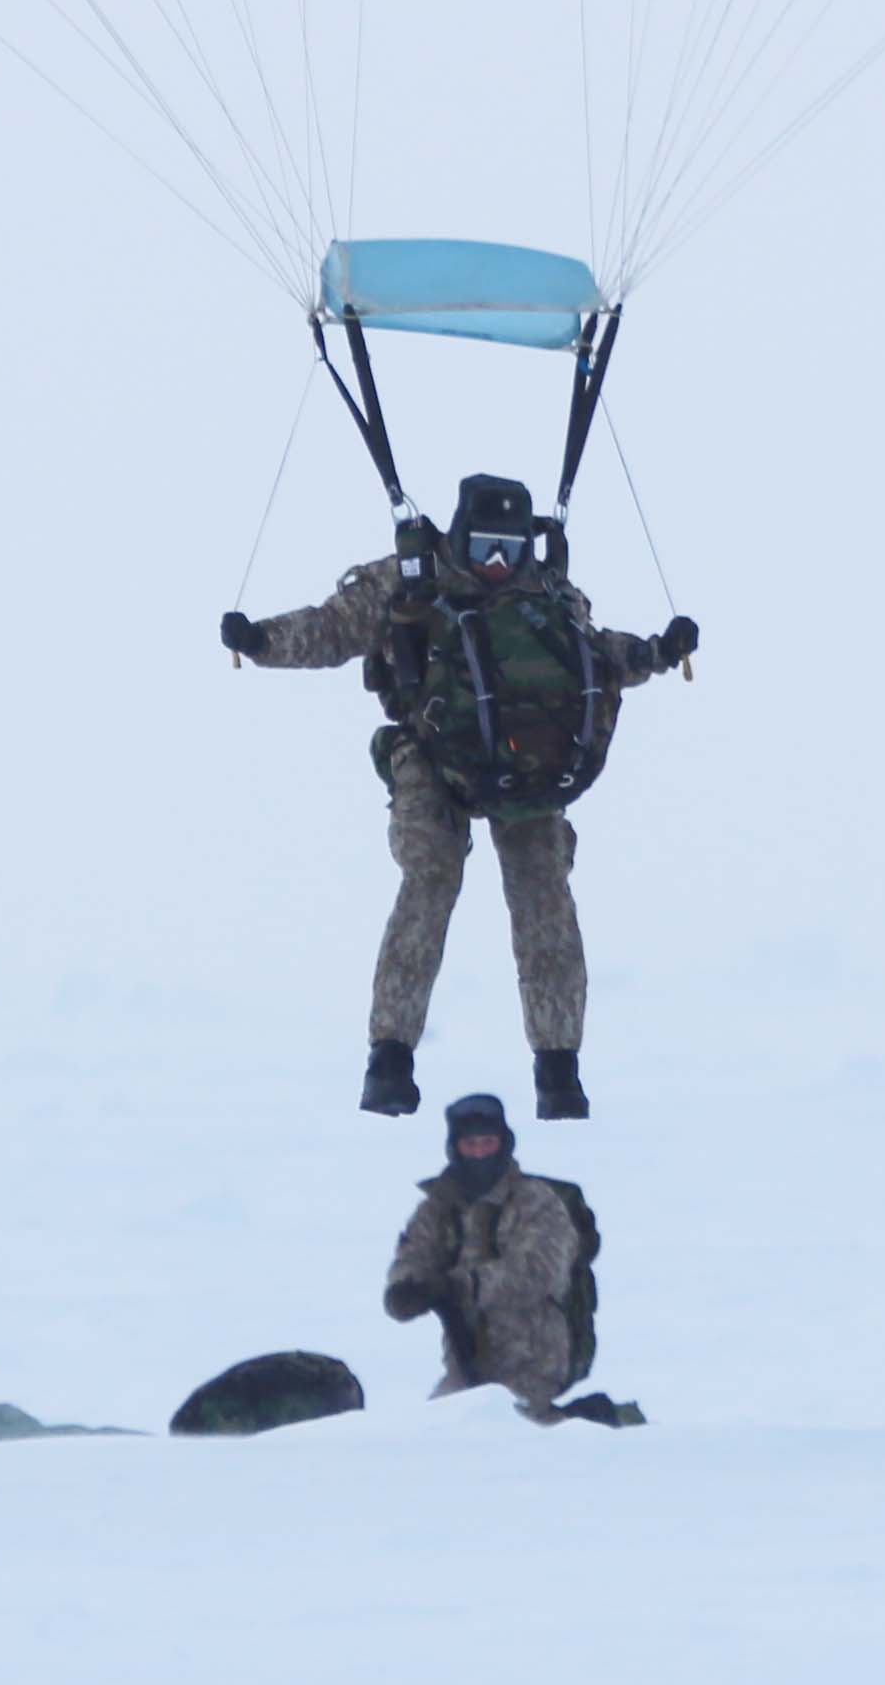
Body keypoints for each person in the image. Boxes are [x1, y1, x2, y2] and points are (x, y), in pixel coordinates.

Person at [225, 472, 695, 1119]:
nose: (498, 566)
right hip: (432, 753)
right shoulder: (413, 580)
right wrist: (262, 642)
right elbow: (334, 629)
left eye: (510, 550)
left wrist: (657, 653)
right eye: (484, 552)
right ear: (460, 540)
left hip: (521, 763)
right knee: (430, 878)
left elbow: (598, 655)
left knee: (545, 899)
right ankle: (389, 1057)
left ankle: (559, 1069)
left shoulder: (549, 590)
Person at [381, 1092, 639, 1425]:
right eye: (470, 1145)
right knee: (437, 1432)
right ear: (454, 1148)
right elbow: (415, 1253)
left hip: (536, 1358)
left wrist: (461, 1287)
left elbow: (538, 1273)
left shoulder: (537, 1202)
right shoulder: (439, 1207)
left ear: (504, 1144)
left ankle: (611, 1424)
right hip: (464, 1360)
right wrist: (406, 1289)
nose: (479, 1153)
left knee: (515, 1434)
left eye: (487, 1144)